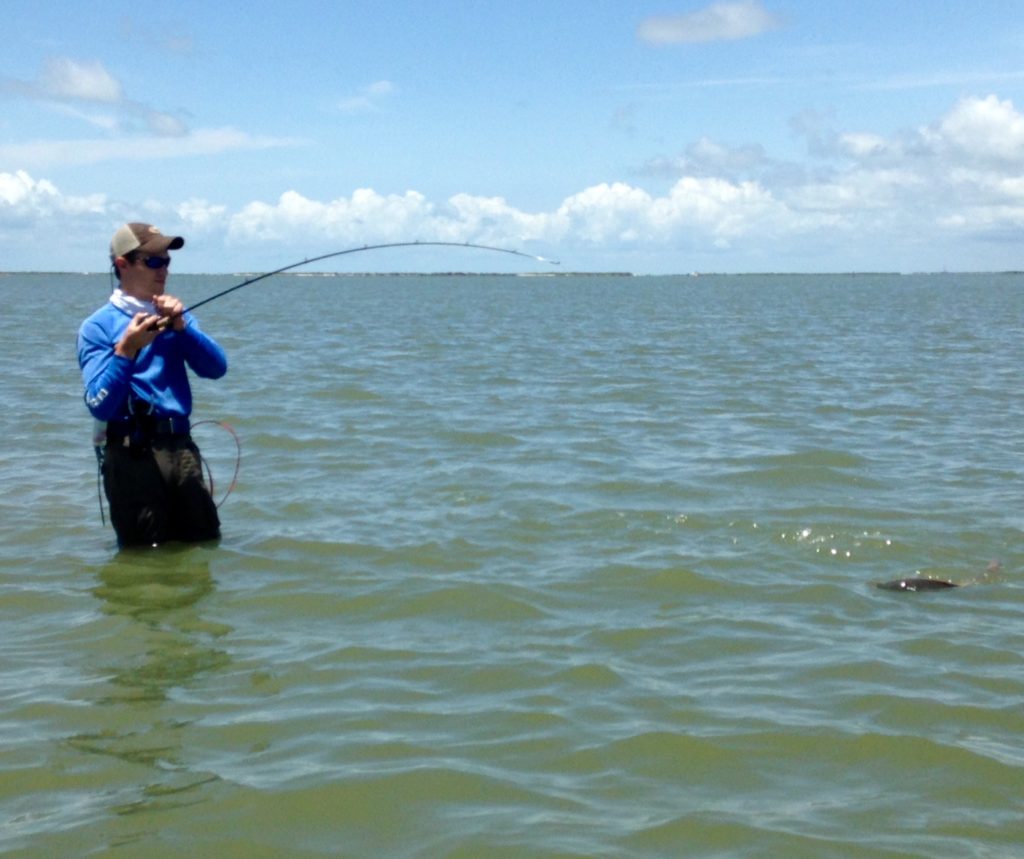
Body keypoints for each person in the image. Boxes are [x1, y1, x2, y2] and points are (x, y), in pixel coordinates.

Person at [78, 222, 228, 547]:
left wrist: (183, 328)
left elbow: (217, 368)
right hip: (131, 456)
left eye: (167, 262)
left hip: (181, 449)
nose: (163, 271)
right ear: (123, 264)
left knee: (204, 543)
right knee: (146, 557)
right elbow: (98, 403)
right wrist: (126, 350)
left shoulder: (176, 316)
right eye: (153, 261)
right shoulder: (97, 327)